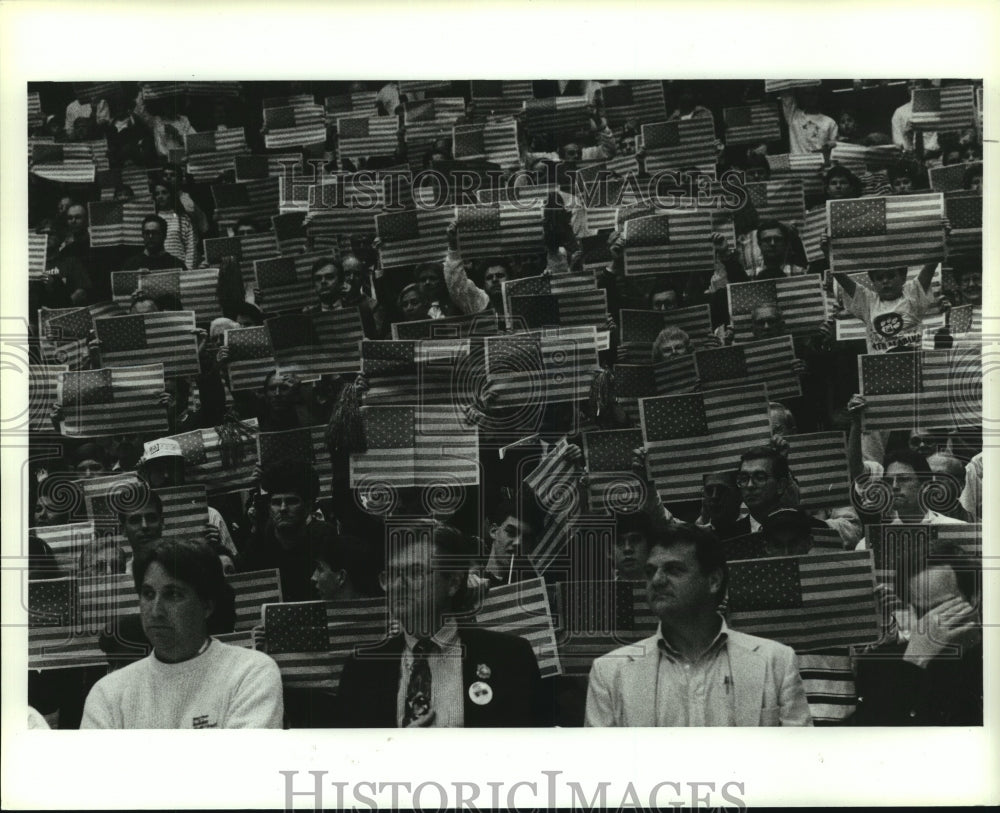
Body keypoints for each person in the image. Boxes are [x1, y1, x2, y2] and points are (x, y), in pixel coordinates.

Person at [584, 524, 812, 726]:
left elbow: (799, 761)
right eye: (651, 571)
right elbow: (603, 768)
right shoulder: (609, 672)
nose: (657, 581)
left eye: (673, 570)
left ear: (713, 581)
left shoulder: (777, 662)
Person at [335, 522, 551, 727]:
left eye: (415, 573)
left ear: (454, 583)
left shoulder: (510, 658)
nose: (398, 585)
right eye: (391, 575)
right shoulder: (361, 669)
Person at [80, 537, 284, 728]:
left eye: (173, 595)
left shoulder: (250, 672)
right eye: (148, 594)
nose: (156, 610)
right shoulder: (108, 693)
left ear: (206, 605)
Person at [243, 461, 339, 602]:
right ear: (269, 508)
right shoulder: (258, 544)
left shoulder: (324, 537)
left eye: (291, 501)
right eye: (276, 502)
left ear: (308, 507)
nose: (282, 508)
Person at [779, 87, 838, 155]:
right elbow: (786, 94)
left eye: (813, 93)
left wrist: (829, 146)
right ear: (802, 96)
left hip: (820, 163)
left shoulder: (830, 122)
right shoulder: (793, 117)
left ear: (818, 95)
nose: (810, 97)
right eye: (807, 94)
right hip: (799, 163)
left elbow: (835, 148)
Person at [122, 215, 188, 271]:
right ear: (142, 235)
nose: (150, 237)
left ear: (164, 235)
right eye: (147, 233)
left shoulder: (176, 266)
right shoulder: (131, 265)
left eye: (155, 233)